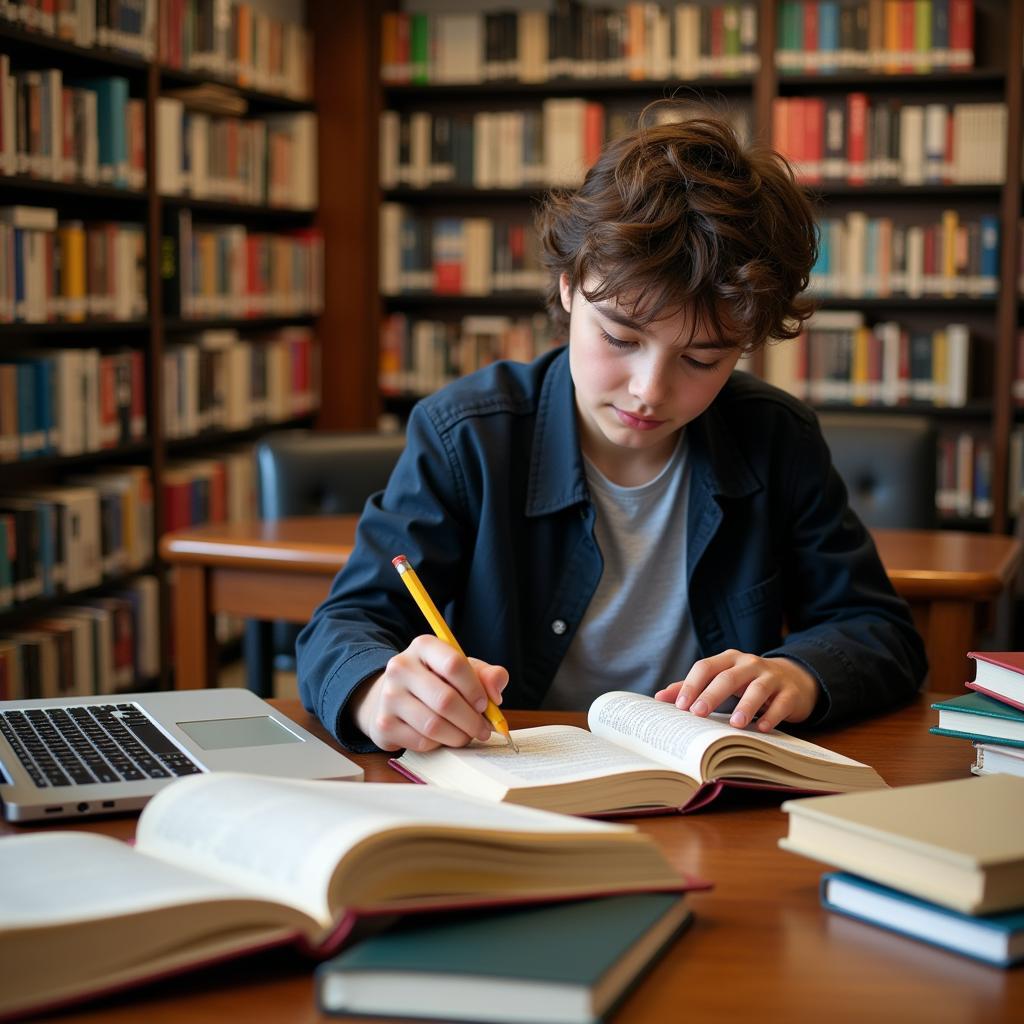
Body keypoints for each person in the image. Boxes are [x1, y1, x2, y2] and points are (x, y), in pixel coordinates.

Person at [296, 107, 927, 754]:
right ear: (569, 286)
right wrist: (375, 690)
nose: (649, 391)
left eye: (702, 360)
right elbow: (345, 625)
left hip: (705, 792)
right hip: (514, 780)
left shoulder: (776, 438)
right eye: (620, 338)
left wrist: (800, 673)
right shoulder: (467, 437)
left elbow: (879, 629)